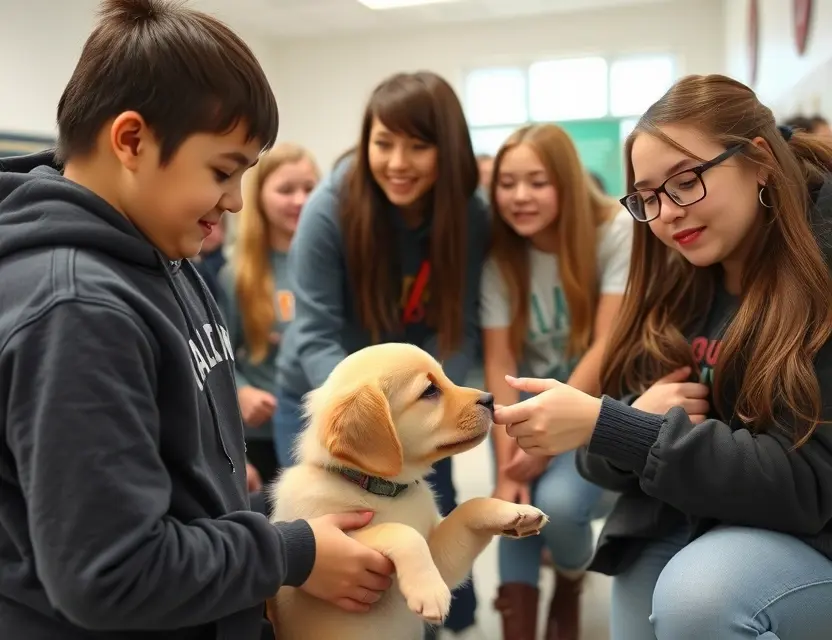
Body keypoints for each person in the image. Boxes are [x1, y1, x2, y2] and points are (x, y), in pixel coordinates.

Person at [0, 2, 394, 639]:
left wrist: (223, 482)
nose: (235, 201)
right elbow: (111, 573)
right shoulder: (76, 312)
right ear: (132, 141)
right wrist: (289, 553)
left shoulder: (163, 249)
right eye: (222, 171)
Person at [494, 74, 832, 640]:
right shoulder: (681, 276)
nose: (667, 213)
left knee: (697, 599)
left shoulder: (818, 272)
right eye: (648, 197)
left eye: (685, 181)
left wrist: (618, 427)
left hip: (802, 532)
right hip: (697, 509)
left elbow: (809, 486)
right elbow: (607, 451)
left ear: (759, 161)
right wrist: (625, 423)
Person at [275, 70, 489, 638]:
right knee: (344, 570)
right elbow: (314, 333)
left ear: (448, 149)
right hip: (328, 406)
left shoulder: (469, 213)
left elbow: (459, 328)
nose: (397, 162)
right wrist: (368, 411)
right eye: (383, 143)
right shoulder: (329, 209)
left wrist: (435, 404)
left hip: (418, 407)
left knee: (432, 559)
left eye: (418, 146)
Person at [481, 124, 631, 640]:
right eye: (507, 183)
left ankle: (569, 580)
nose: (520, 196)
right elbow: (499, 357)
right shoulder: (501, 256)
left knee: (561, 505)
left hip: (596, 403)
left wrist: (541, 445)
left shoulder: (614, 231)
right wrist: (511, 449)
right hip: (521, 407)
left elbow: (607, 344)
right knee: (513, 507)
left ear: (566, 181)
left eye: (537, 182)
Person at [219, 142, 320, 491]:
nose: (300, 200)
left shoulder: (331, 266)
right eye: (286, 190)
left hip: (324, 426)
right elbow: (217, 354)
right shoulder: (238, 274)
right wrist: (242, 391)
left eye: (309, 189)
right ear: (259, 196)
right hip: (262, 435)